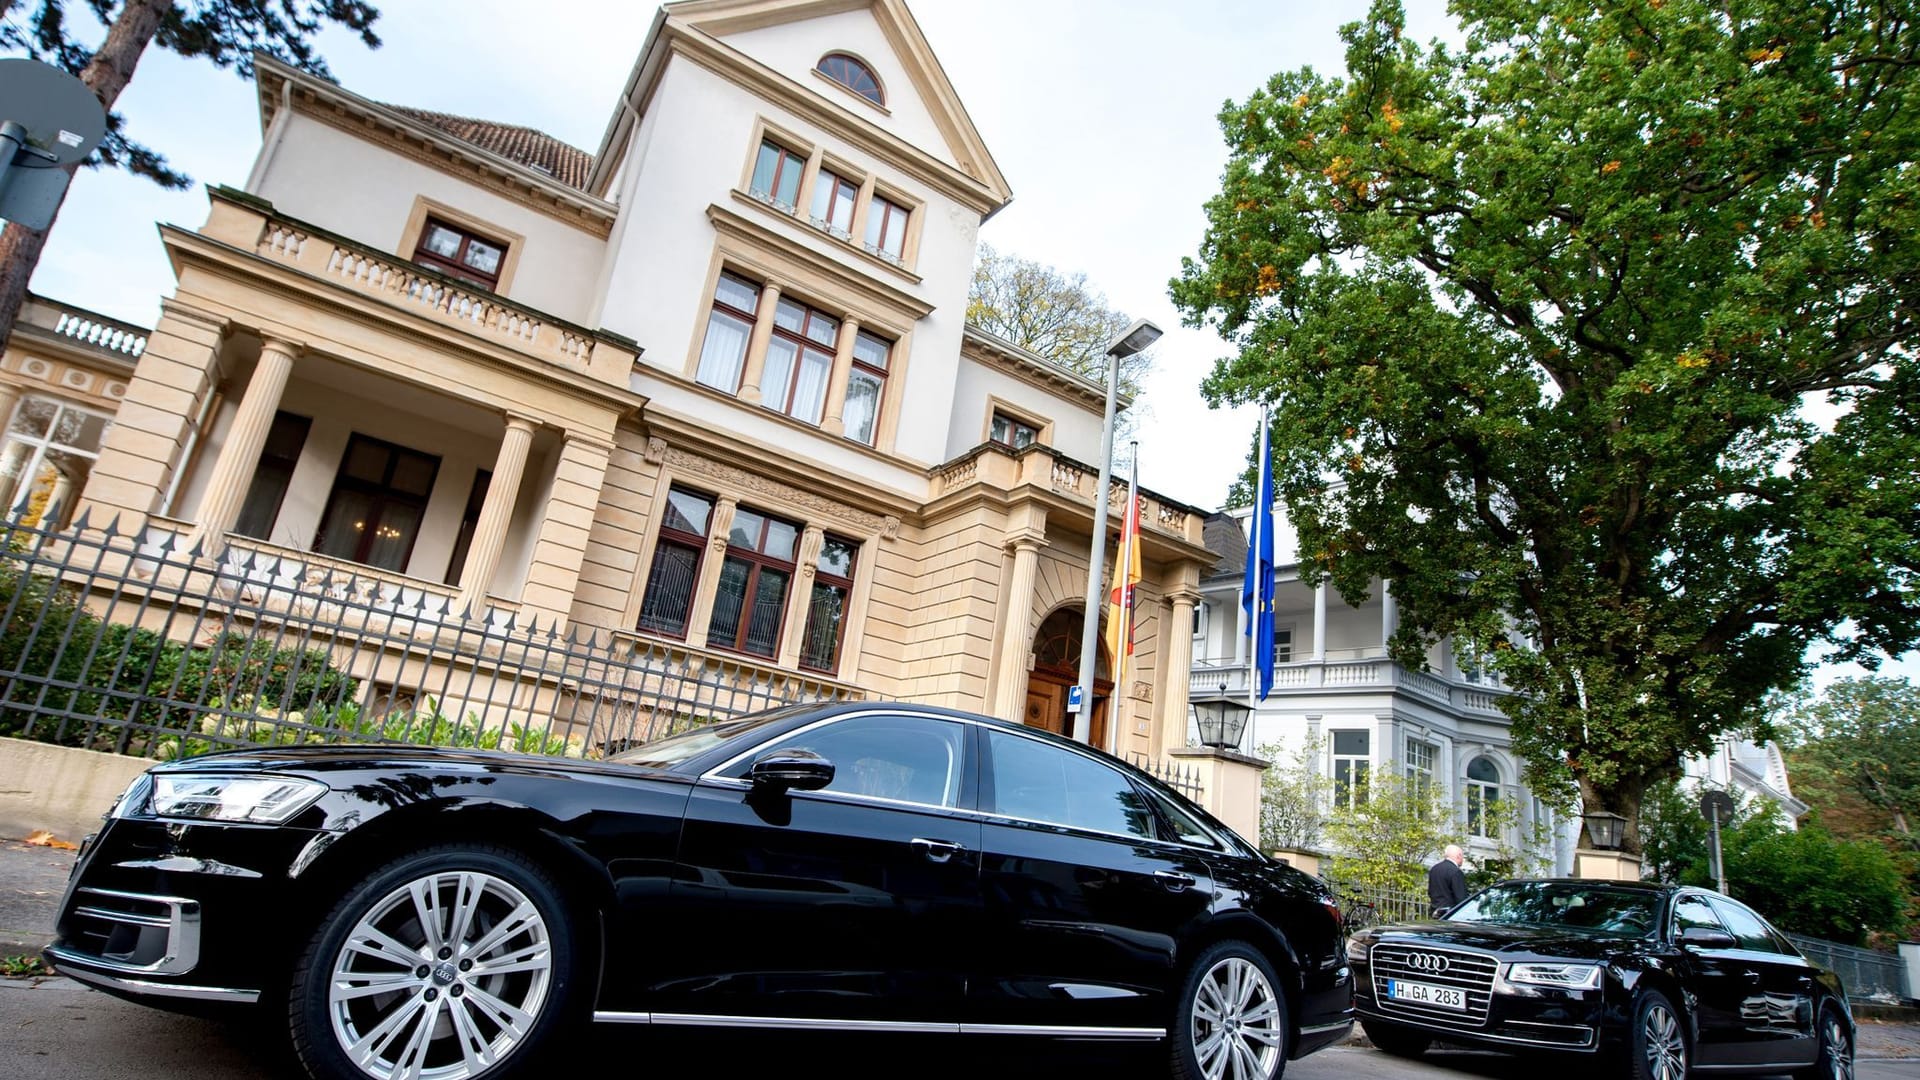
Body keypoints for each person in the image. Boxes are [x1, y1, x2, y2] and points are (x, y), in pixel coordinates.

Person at [1428, 844, 1467, 917]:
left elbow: (1430, 891)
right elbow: (1461, 897)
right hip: (1450, 913)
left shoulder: (1434, 869)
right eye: (1462, 856)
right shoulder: (1456, 871)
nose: (1463, 859)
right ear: (1458, 856)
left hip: (1435, 912)